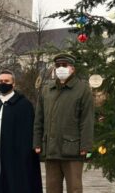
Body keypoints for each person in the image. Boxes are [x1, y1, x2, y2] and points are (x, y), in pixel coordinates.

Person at [34, 53, 95, 193]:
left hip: (72, 149)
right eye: (57, 66)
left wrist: (86, 146)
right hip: (51, 149)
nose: (60, 68)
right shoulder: (47, 89)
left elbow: (87, 120)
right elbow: (39, 118)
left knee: (74, 188)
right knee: (52, 189)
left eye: (64, 65)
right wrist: (37, 142)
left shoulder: (82, 89)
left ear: (72, 69)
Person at [0, 70, 42, 193]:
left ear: (13, 84)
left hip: (15, 154)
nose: (3, 83)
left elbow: (28, 132)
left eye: (6, 81)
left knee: (15, 182)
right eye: (0, 81)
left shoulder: (23, 105)